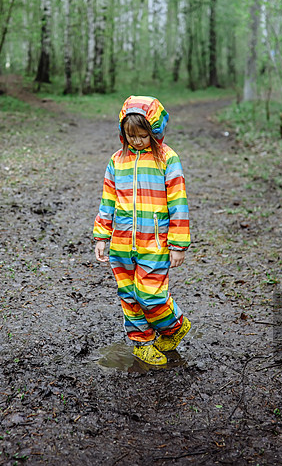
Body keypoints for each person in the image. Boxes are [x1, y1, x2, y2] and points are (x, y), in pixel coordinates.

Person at [93, 95, 191, 366]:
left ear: (154, 131)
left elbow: (178, 204)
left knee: (151, 294)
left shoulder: (167, 160)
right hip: (121, 243)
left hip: (155, 243)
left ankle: (174, 327)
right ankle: (141, 343)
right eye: (130, 135)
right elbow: (107, 200)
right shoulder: (117, 161)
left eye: (142, 135)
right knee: (129, 294)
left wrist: (178, 244)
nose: (136, 141)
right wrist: (102, 235)